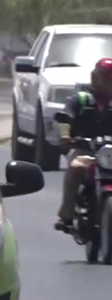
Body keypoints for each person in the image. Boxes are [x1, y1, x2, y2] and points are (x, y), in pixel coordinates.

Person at [55, 57, 112, 232]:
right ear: (95, 77)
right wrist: (65, 136)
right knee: (76, 167)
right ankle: (67, 214)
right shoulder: (81, 99)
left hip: (109, 154)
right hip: (85, 150)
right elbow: (65, 118)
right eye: (106, 77)